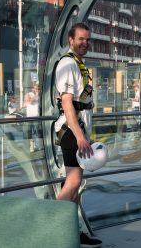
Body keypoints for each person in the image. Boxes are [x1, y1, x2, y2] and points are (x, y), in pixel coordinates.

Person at [54, 22, 102, 248]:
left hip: (79, 130)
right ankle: (49, 226)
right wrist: (80, 136)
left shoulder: (77, 64)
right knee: (73, 181)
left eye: (88, 39)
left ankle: (72, 230)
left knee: (77, 184)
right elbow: (67, 103)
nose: (85, 43)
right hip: (72, 131)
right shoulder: (67, 63)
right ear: (71, 40)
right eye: (81, 39)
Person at [24, 83, 41, 152]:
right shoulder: (28, 94)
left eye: (38, 89)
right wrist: (36, 95)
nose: (37, 90)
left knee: (37, 132)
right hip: (29, 117)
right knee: (29, 132)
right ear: (32, 89)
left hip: (37, 116)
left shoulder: (40, 96)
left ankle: (38, 144)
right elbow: (29, 101)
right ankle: (31, 146)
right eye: (35, 88)